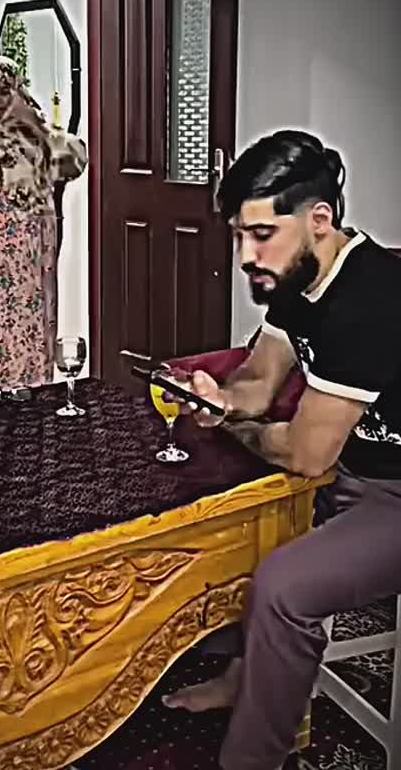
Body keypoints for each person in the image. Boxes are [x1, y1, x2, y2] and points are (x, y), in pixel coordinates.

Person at [161, 130, 401, 770]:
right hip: (350, 472)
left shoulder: (372, 299)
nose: (246, 255)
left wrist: (235, 429)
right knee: (221, 519)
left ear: (319, 220)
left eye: (262, 234)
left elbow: (304, 454)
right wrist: (223, 400)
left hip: (393, 493)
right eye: (240, 235)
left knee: (283, 586)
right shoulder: (297, 279)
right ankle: (246, 675)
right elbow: (260, 381)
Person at [0, 56, 87, 395]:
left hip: (23, 248)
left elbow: (76, 159)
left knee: (23, 315)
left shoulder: (33, 131)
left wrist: (33, 128)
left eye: (5, 90)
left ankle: (26, 390)